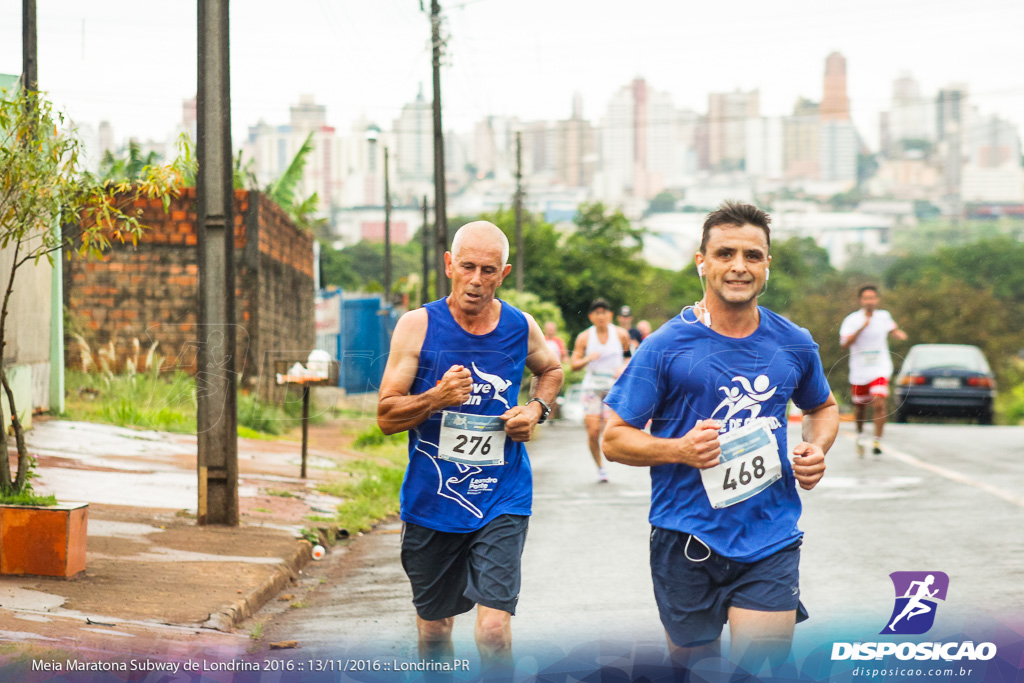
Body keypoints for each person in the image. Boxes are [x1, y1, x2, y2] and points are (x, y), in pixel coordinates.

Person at [601, 201, 839, 674]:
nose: (739, 266)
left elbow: (822, 407)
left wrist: (816, 447)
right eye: (725, 253)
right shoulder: (666, 345)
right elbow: (614, 438)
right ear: (701, 262)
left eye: (753, 255)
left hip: (769, 537)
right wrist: (679, 450)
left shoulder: (793, 342)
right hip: (685, 538)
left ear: (767, 264)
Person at [376, 221, 563, 669]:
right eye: (467, 267)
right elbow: (385, 416)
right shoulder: (417, 326)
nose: (476, 280)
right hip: (432, 498)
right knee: (436, 632)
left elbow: (551, 370)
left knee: (494, 631)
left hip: (503, 495)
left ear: (504, 273)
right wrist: (436, 397)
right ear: (449, 266)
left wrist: (535, 409)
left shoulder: (521, 326)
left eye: (488, 270)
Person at [839, 285, 908, 457]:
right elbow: (844, 344)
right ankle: (861, 434)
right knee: (860, 406)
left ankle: (878, 439)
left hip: (880, 366)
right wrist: (862, 328)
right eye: (866, 298)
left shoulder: (884, 317)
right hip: (860, 369)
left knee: (879, 402)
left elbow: (893, 328)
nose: (870, 301)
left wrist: (898, 333)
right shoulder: (852, 320)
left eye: (872, 298)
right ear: (861, 300)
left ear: (877, 300)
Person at [570, 299, 631, 483]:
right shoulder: (584, 337)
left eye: (604, 312)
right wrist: (587, 358)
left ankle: (616, 460)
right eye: (597, 313)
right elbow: (573, 365)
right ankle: (600, 468)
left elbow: (630, 359)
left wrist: (622, 368)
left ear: (610, 315)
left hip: (613, 386)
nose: (601, 316)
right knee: (593, 431)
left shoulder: (621, 335)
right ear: (591, 317)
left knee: (610, 430)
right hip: (592, 387)